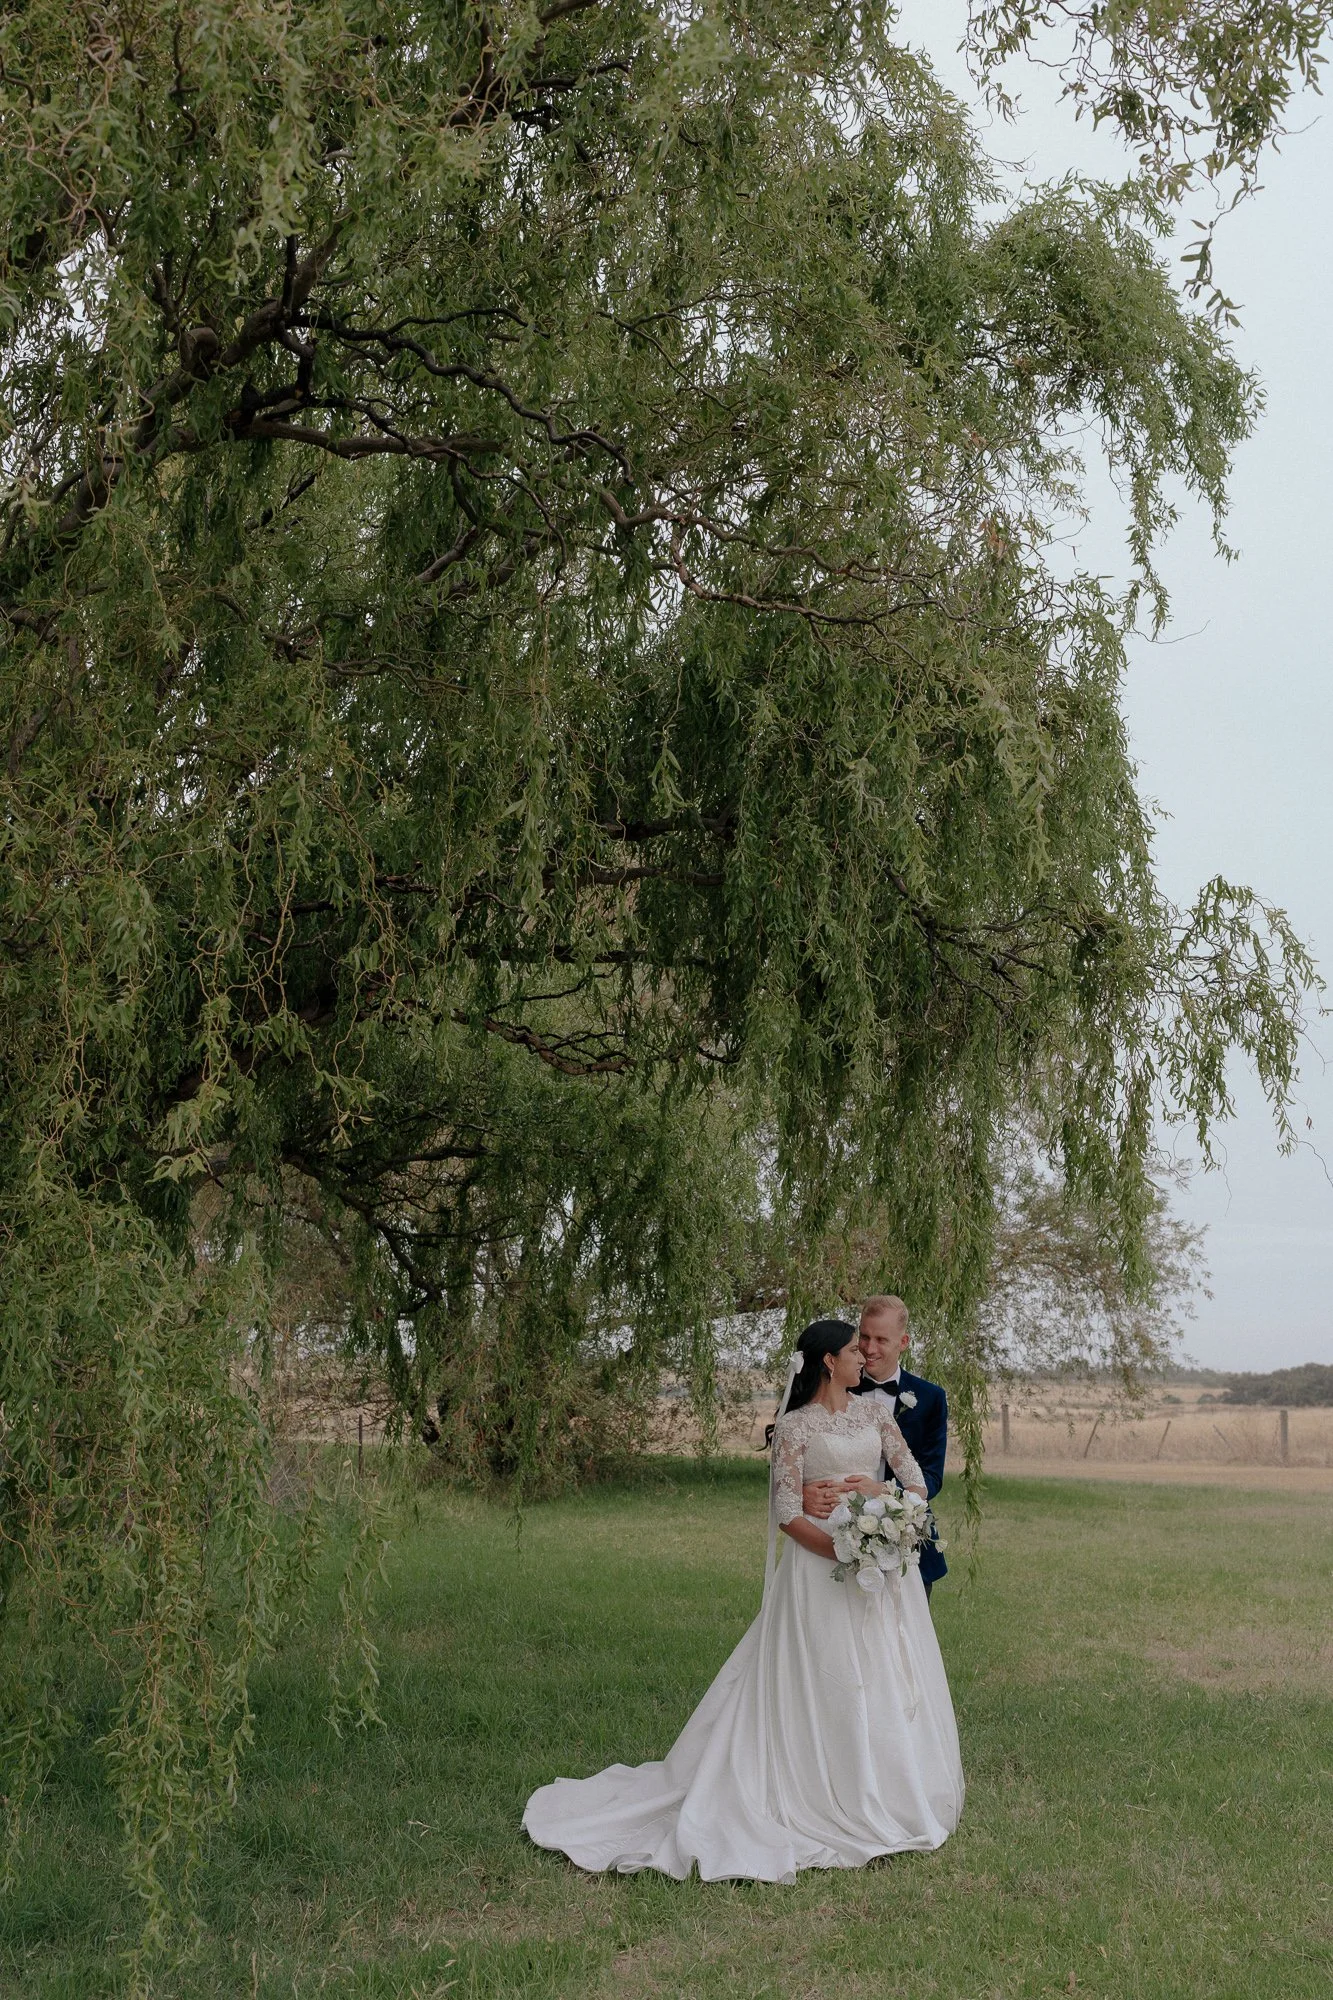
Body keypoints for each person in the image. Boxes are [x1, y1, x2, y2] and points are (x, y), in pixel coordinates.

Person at [523, 1318, 964, 1881]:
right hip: (820, 1570)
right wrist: (842, 1553)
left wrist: (879, 1496)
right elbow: (785, 1514)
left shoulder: (879, 1414)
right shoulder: (795, 1427)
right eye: (855, 1349)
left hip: (878, 1573)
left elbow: (919, 1485)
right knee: (824, 1674)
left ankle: (884, 1788)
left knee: (878, 1675)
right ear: (830, 1361)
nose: (865, 1357)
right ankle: (807, 1788)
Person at [802, 1295, 948, 1601]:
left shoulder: (931, 1398)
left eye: (881, 1339)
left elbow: (931, 1477)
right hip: (834, 1532)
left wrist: (882, 1491)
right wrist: (802, 1493)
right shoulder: (830, 1384)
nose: (869, 1349)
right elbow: (796, 1454)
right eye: (864, 1337)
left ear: (903, 1341)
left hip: (900, 1534)